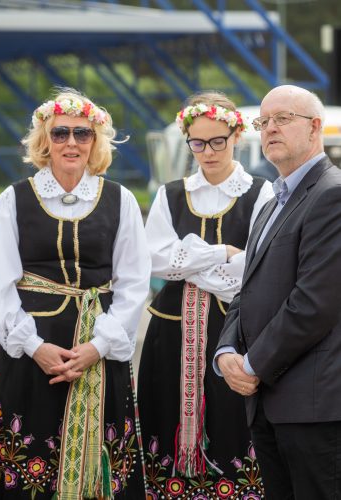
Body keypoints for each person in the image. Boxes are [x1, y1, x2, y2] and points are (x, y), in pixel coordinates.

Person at [0, 88, 151, 499]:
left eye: (82, 134)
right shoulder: (13, 199)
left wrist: (99, 345)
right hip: (32, 351)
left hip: (97, 346)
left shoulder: (119, 199)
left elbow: (133, 283)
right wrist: (35, 347)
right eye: (60, 134)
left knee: (101, 466)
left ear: (96, 142)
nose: (71, 142)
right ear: (44, 141)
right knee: (28, 455)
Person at [138, 91, 274, 499]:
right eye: (198, 143)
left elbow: (256, 266)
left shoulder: (260, 192)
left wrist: (194, 261)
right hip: (172, 332)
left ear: (236, 137)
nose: (208, 151)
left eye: (218, 140)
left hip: (234, 329)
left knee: (233, 418)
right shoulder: (172, 193)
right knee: (164, 415)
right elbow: (156, 260)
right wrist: (220, 253)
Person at [215, 84, 341, 500]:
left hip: (314, 406)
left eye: (283, 119)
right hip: (267, 403)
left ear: (315, 127)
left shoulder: (332, 194)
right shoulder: (271, 203)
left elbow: (314, 303)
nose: (270, 129)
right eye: (263, 121)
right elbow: (246, 289)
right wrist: (226, 352)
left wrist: (252, 365)